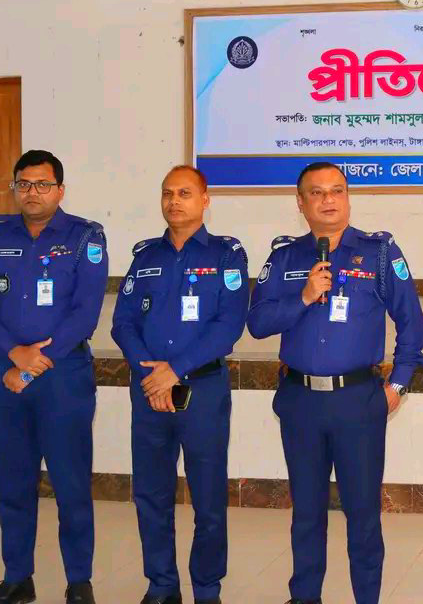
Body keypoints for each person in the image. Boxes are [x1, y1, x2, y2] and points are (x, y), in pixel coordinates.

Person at [247, 162, 423, 604]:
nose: (328, 200)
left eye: (337, 191)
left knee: (362, 515)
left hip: (358, 401)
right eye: (317, 192)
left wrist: (398, 386)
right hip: (301, 401)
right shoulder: (285, 256)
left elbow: (412, 324)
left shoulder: (379, 253)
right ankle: (304, 596)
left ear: (347, 198)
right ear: (300, 203)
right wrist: (304, 296)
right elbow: (258, 323)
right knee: (307, 514)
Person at [0, 149, 108, 604]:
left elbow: (85, 313)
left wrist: (33, 364)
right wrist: (13, 354)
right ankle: (17, 579)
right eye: (24, 184)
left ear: (60, 191)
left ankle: (79, 582)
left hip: (62, 376)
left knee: (71, 487)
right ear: (15, 189)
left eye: (43, 184)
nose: (32, 192)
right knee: (13, 486)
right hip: (7, 375)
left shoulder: (85, 237)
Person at [111, 165, 249, 604]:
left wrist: (175, 370)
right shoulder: (145, 256)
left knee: (208, 499)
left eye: (185, 193)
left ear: (205, 200)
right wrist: (152, 376)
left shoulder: (227, 256)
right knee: (150, 495)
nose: (174, 201)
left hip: (202, 392)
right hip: (149, 392)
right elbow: (122, 323)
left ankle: (207, 589)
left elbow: (229, 326)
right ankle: (162, 586)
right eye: (168, 193)